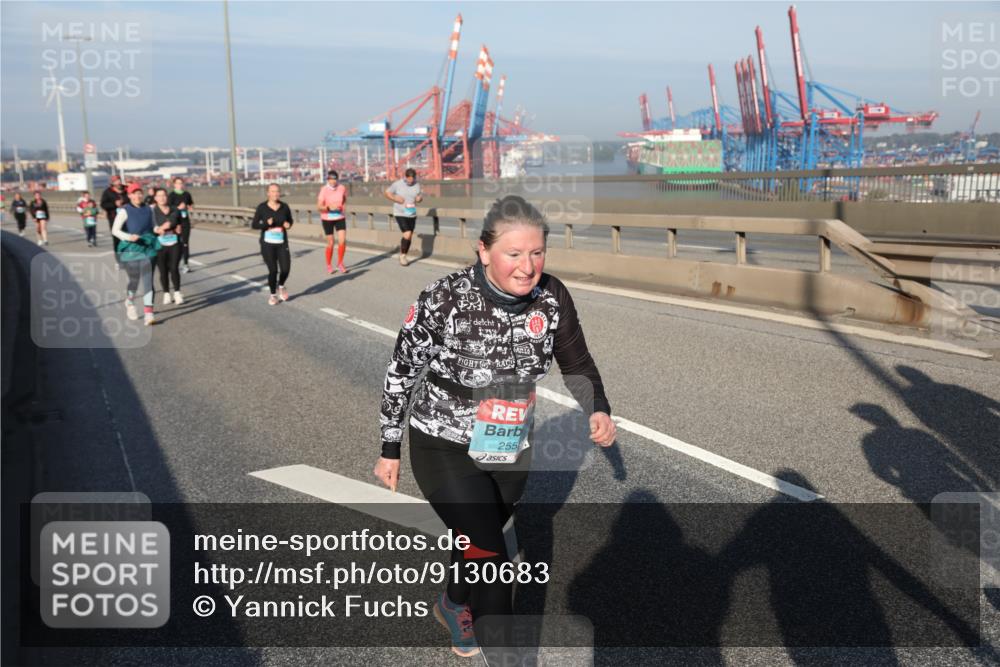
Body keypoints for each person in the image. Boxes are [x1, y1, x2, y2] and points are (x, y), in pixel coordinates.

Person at [373, 195, 616, 658]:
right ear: (483, 251)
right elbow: (400, 373)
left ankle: (452, 603)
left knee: (478, 536)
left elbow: (576, 361)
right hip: (442, 444)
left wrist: (596, 409)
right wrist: (389, 448)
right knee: (492, 558)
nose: (528, 267)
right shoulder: (443, 298)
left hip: (506, 446)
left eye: (537, 253)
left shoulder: (552, 295)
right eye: (514, 254)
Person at [112, 183, 160, 326]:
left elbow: (154, 225)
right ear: (130, 195)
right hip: (132, 248)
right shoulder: (124, 211)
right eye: (134, 193)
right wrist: (128, 237)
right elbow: (115, 230)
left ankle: (148, 313)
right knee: (135, 279)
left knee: (148, 280)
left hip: (147, 247)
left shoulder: (149, 209)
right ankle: (130, 302)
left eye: (140, 192)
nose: (138, 195)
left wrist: (159, 229)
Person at [251, 183, 294, 305]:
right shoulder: (262, 207)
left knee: (285, 269)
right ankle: (273, 295)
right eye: (273, 191)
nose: (275, 194)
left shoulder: (284, 207)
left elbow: (290, 220)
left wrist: (288, 225)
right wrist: (266, 223)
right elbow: (254, 224)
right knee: (273, 270)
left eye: (277, 191)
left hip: (281, 243)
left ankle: (281, 286)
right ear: (268, 193)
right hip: (267, 245)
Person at [384, 168, 424, 266]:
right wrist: (395, 198)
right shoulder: (397, 184)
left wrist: (419, 199)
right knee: (407, 233)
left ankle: (403, 254)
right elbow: (387, 193)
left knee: (409, 236)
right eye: (408, 179)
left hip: (411, 213)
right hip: (400, 213)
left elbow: (419, 196)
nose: (410, 181)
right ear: (405, 177)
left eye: (412, 179)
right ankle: (403, 256)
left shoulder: (417, 185)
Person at [151, 187, 184, 305]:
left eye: (164, 195)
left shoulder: (174, 209)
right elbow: (151, 225)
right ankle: (166, 293)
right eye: (159, 196)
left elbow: (173, 221)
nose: (162, 198)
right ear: (155, 198)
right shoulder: (152, 211)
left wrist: (161, 228)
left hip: (174, 242)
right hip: (159, 244)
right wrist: (156, 229)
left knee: (174, 268)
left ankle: (177, 292)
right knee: (163, 270)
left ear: (167, 197)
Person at [316, 170, 348, 274]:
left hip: (339, 217)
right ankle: (329, 265)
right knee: (331, 242)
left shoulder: (342, 188)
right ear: (328, 180)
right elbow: (319, 207)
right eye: (331, 179)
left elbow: (344, 199)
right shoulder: (324, 190)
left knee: (342, 241)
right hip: (327, 218)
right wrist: (329, 207)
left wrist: (341, 207)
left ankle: (340, 263)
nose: (333, 181)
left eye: (335, 179)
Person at [167, 177, 195, 273]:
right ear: (174, 184)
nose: (180, 185)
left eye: (181, 183)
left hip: (185, 222)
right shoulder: (171, 195)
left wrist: (190, 207)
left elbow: (191, 204)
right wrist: (178, 208)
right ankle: (172, 264)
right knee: (176, 244)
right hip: (175, 223)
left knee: (185, 243)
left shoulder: (187, 194)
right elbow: (168, 209)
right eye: (178, 183)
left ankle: (186, 264)